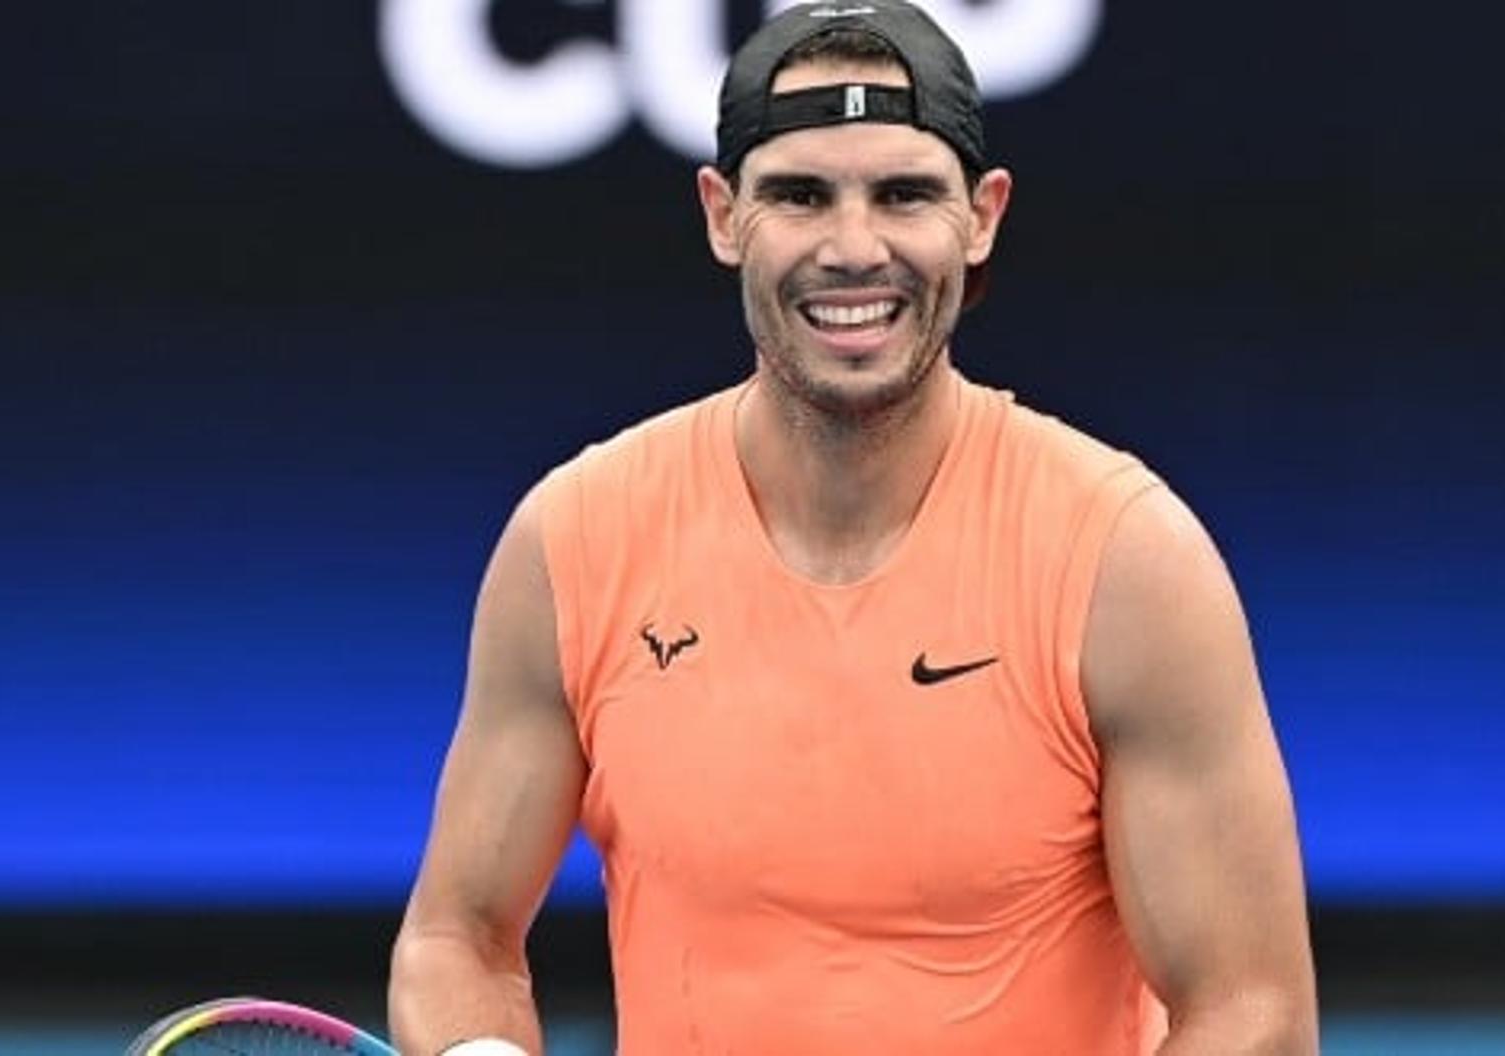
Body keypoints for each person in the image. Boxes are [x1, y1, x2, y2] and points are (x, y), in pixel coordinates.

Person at [388, 2, 1318, 1053]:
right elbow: (454, 935)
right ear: (722, 214)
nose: (853, 247)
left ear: (982, 216)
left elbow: (1254, 1012)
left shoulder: (1127, 563)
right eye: (799, 195)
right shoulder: (572, 544)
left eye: (904, 194)